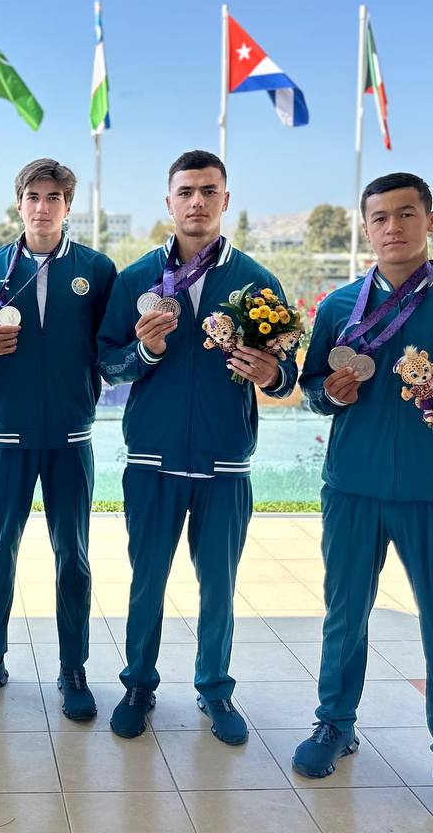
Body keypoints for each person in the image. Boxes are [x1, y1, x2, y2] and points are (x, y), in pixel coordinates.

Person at [292, 172, 433, 830]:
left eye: (405, 214)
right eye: (379, 217)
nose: (392, 227)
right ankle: (335, 723)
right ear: (366, 227)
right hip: (352, 488)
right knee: (344, 616)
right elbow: (310, 389)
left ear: (430, 220)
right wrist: (326, 395)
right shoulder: (339, 306)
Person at [96, 150, 297, 742]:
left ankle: (214, 689)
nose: (197, 202)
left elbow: (286, 372)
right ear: (169, 202)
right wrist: (146, 352)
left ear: (225, 200)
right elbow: (107, 364)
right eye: (186, 192)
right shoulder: (135, 279)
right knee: (147, 582)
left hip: (224, 460)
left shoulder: (257, 282)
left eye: (209, 191)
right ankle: (138, 683)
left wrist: (271, 375)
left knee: (219, 586)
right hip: (152, 459)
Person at [0, 158, 116, 719]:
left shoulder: (96, 269)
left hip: (70, 436)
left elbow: (112, 347)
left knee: (73, 556)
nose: (42, 207)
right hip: (6, 434)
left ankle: (73, 668)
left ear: (68, 206)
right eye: (33, 197)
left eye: (53, 198)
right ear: (18, 203)